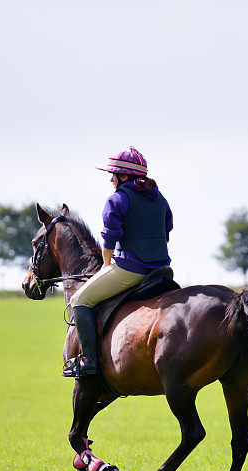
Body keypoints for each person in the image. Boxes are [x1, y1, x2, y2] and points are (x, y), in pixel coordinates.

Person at [63, 146, 173, 378]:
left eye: (113, 174)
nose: (111, 179)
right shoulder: (160, 198)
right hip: (163, 270)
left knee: (79, 299)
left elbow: (109, 239)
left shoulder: (117, 199)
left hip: (132, 270)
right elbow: (167, 228)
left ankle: (90, 362)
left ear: (124, 176)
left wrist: (106, 265)